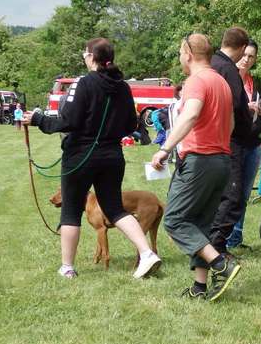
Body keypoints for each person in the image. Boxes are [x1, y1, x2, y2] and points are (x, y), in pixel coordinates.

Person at [23, 38, 161, 279]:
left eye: (84, 54)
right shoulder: (123, 87)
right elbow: (131, 124)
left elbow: (68, 121)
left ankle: (67, 267)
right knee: (115, 209)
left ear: (91, 57)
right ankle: (147, 254)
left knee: (71, 210)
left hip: (80, 155)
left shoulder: (83, 83)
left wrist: (38, 119)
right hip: (112, 156)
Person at [151, 33, 239, 301]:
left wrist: (165, 148)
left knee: (175, 219)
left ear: (188, 54)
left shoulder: (196, 81)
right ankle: (199, 287)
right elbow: (231, 124)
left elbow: (190, 115)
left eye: (180, 53)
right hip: (222, 161)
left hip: (200, 160)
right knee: (201, 224)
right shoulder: (221, 82)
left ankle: (221, 264)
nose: (180, 58)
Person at [225, 39, 261, 249]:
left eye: (251, 56)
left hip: (252, 144)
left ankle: (236, 237)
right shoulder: (227, 78)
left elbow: (251, 118)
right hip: (233, 143)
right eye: (244, 54)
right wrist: (246, 106)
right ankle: (224, 238)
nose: (246, 59)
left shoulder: (252, 83)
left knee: (245, 194)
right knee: (232, 193)